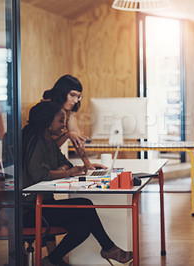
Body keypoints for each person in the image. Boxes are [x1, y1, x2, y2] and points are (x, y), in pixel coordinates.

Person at [22, 101, 133, 266]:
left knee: (81, 229)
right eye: (60, 121)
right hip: (29, 211)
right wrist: (67, 172)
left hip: (43, 205)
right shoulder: (35, 142)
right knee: (84, 204)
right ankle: (109, 248)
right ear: (47, 122)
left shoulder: (47, 142)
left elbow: (66, 163)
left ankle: (51, 261)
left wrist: (66, 169)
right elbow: (40, 175)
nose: (64, 126)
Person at [42, 74, 104, 170]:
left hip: (50, 158)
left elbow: (77, 140)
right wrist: (67, 135)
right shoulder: (45, 108)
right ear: (62, 93)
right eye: (72, 95)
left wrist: (88, 165)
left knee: (68, 167)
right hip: (37, 159)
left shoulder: (67, 111)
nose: (75, 100)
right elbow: (46, 148)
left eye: (78, 97)